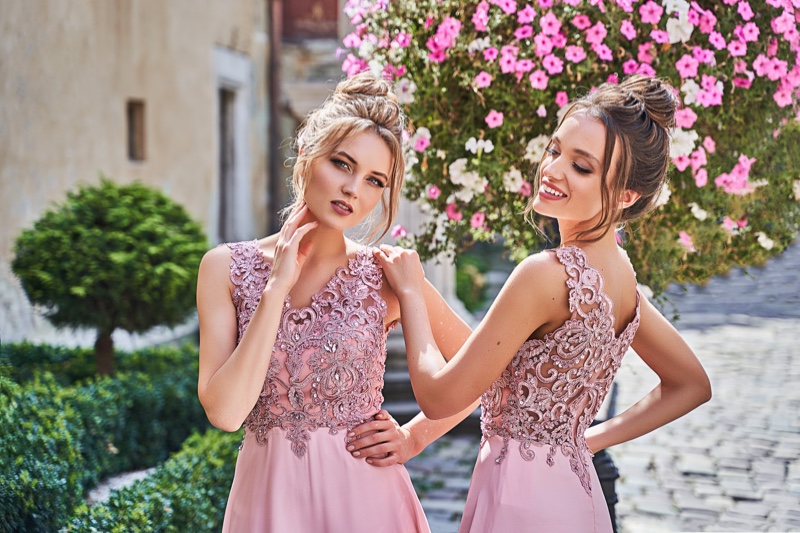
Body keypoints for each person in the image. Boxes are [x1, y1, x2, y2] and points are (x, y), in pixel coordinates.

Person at [374, 75, 713, 532]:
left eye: (582, 166)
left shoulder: (545, 274)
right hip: (577, 496)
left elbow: (441, 396)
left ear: (627, 196)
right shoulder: (622, 279)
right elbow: (691, 384)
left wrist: (413, 297)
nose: (552, 171)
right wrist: (583, 441)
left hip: (518, 503)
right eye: (555, 150)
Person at [196, 72, 475, 532]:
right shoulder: (224, 268)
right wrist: (275, 290)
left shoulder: (388, 276)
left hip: (367, 505)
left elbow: (483, 374)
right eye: (343, 164)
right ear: (307, 155)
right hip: (267, 507)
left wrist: (413, 437)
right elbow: (225, 414)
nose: (353, 189)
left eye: (374, 181)